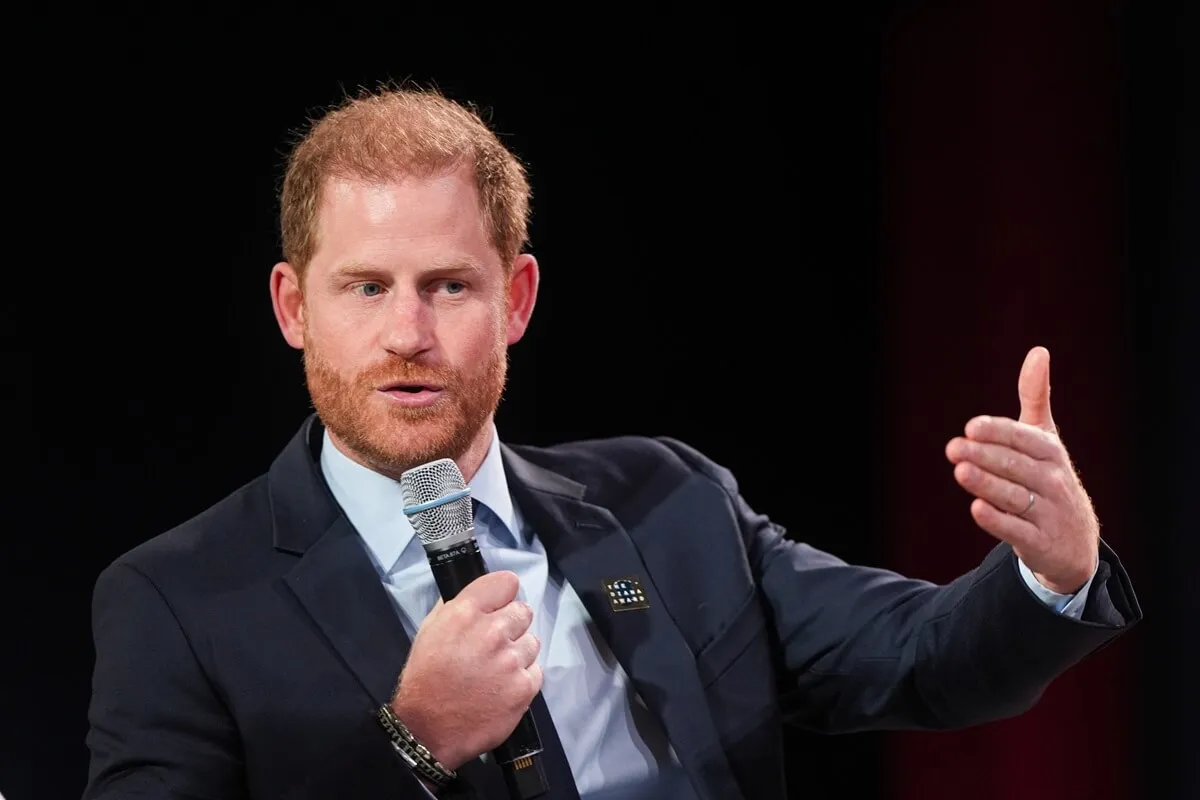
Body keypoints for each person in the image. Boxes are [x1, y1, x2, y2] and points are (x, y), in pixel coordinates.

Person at [82, 86, 1141, 800]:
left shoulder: (665, 501)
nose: (407, 333)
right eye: (366, 286)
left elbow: (921, 660)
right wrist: (411, 740)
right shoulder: (176, 601)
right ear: (292, 306)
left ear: (517, 298)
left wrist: (1052, 571)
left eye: (449, 285)